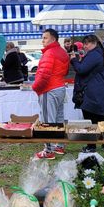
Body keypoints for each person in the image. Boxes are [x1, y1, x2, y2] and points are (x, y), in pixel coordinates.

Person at [32, 28, 70, 159]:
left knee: (47, 121)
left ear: (53, 39)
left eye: (45, 38)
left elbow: (43, 75)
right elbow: (64, 72)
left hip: (49, 89)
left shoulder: (49, 53)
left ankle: (49, 151)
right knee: (59, 119)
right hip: (60, 88)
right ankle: (59, 145)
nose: (43, 40)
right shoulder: (63, 52)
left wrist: (35, 87)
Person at [70, 35, 104, 153]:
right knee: (99, 118)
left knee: (91, 119)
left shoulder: (94, 55)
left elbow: (82, 69)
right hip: (98, 90)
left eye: (87, 44)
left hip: (92, 91)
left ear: (94, 43)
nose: (85, 46)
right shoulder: (100, 53)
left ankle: (92, 146)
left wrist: (74, 60)